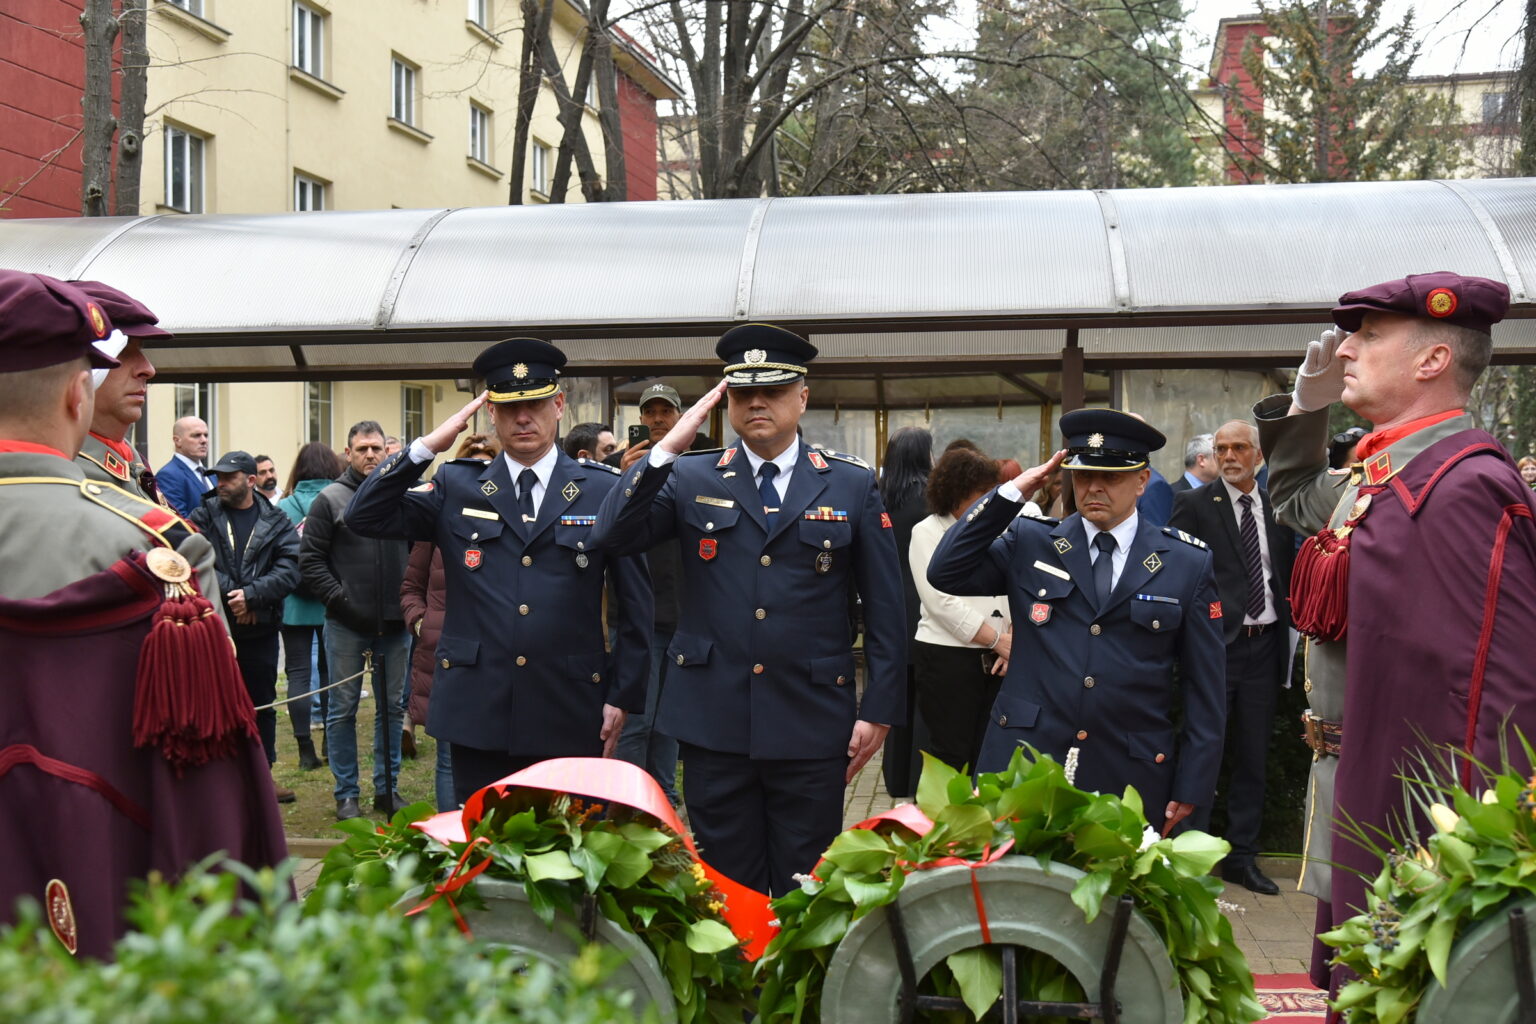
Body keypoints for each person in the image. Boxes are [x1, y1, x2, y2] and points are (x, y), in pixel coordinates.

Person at [1254, 271, 1536, 994]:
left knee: (1396, 993)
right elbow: (1293, 498)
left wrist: (1470, 851)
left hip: (1416, 817)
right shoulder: (1384, 474)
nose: (1345, 349)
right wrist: (1304, 409)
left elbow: (1496, 691)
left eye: (1371, 335)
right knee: (1359, 985)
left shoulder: (1465, 486)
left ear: (1433, 360)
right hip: (1363, 788)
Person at [0, 269, 285, 958]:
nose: (146, 370)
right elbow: (205, 778)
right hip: (95, 893)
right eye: (122, 357)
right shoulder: (161, 549)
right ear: (79, 393)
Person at [591, 323, 906, 897]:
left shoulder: (849, 483)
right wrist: (664, 452)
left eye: (774, 390)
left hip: (811, 717)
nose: (757, 402)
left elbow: (887, 605)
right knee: (727, 883)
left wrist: (879, 707)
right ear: (727, 402)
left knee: (805, 882)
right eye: (743, 393)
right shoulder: (689, 474)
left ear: (802, 397)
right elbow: (611, 535)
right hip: (715, 717)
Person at [345, 339, 652, 806]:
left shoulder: (602, 489)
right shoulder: (456, 484)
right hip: (478, 706)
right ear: (491, 413)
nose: (522, 418)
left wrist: (623, 695)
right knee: (482, 838)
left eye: (534, 405)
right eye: (509, 408)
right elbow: (364, 515)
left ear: (558, 405)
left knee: (568, 841)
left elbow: (635, 604)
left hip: (570, 704)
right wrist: (425, 448)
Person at [927, 409, 1226, 835]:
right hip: (1026, 763)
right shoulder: (1031, 541)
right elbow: (945, 572)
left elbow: (1205, 688)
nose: (1094, 487)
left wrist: (1193, 783)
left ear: (1142, 481)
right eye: (1084, 475)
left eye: (1111, 476)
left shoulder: (1185, 562)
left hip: (1128, 770)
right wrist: (1011, 493)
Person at [1167, 420, 1296, 895]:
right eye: (1221, 448)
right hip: (1215, 647)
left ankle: (1242, 857)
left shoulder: (1278, 506)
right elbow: (1179, 576)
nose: (1228, 456)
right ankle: (1191, 857)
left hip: (1266, 645)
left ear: (1258, 456)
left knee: (1253, 755)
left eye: (1239, 447)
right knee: (1204, 749)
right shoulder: (1194, 504)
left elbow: (1283, 571)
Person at [298, 420, 412, 820]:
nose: (370, 455)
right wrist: (340, 599)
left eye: (376, 448)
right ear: (348, 453)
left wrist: (408, 602)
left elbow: (418, 554)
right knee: (342, 709)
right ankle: (346, 793)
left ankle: (387, 790)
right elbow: (310, 561)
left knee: (392, 710)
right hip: (345, 622)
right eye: (362, 449)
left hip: (395, 624)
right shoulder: (329, 499)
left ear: (387, 452)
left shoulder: (401, 497)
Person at [910, 445, 1034, 772]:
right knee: (951, 754)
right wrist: (997, 640)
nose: (988, 500)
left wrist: (1014, 637)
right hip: (948, 658)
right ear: (955, 494)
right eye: (981, 493)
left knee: (993, 753)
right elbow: (940, 602)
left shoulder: (1005, 527)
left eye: (992, 491)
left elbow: (1022, 584)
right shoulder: (926, 532)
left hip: (1003, 657)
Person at [188, 450, 301, 802]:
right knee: (214, 701)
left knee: (261, 703)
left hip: (260, 628)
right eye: (218, 477)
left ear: (251, 481)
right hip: (216, 626)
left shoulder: (277, 520)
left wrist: (253, 596)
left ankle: (263, 774)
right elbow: (194, 557)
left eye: (228, 477)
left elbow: (291, 567)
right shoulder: (203, 515)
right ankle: (220, 778)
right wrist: (235, 598)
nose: (220, 483)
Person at [399, 432, 498, 811]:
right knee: (448, 756)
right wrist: (421, 622)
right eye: (473, 466)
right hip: (446, 655)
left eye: (488, 465)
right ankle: (451, 836)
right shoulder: (439, 519)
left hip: (499, 655)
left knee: (494, 756)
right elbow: (411, 586)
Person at [70, 280, 171, 504]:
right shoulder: (67, 476)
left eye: (140, 349)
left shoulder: (131, 461)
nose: (148, 369)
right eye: (123, 350)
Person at [277, 441, 342, 772]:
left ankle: (305, 749)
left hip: (293, 600)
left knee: (298, 673)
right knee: (331, 672)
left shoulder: (284, 506)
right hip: (332, 596)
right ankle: (331, 742)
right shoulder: (339, 498)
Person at [876, 425, 933, 798]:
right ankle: (917, 777)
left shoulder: (879, 496)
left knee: (896, 697)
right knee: (925, 699)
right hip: (924, 608)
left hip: (889, 607)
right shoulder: (929, 499)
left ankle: (895, 777)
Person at [157, 415, 211, 518]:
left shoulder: (212, 475)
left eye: (206, 435)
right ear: (177, 440)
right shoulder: (168, 475)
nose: (204, 440)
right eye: (196, 435)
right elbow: (178, 520)